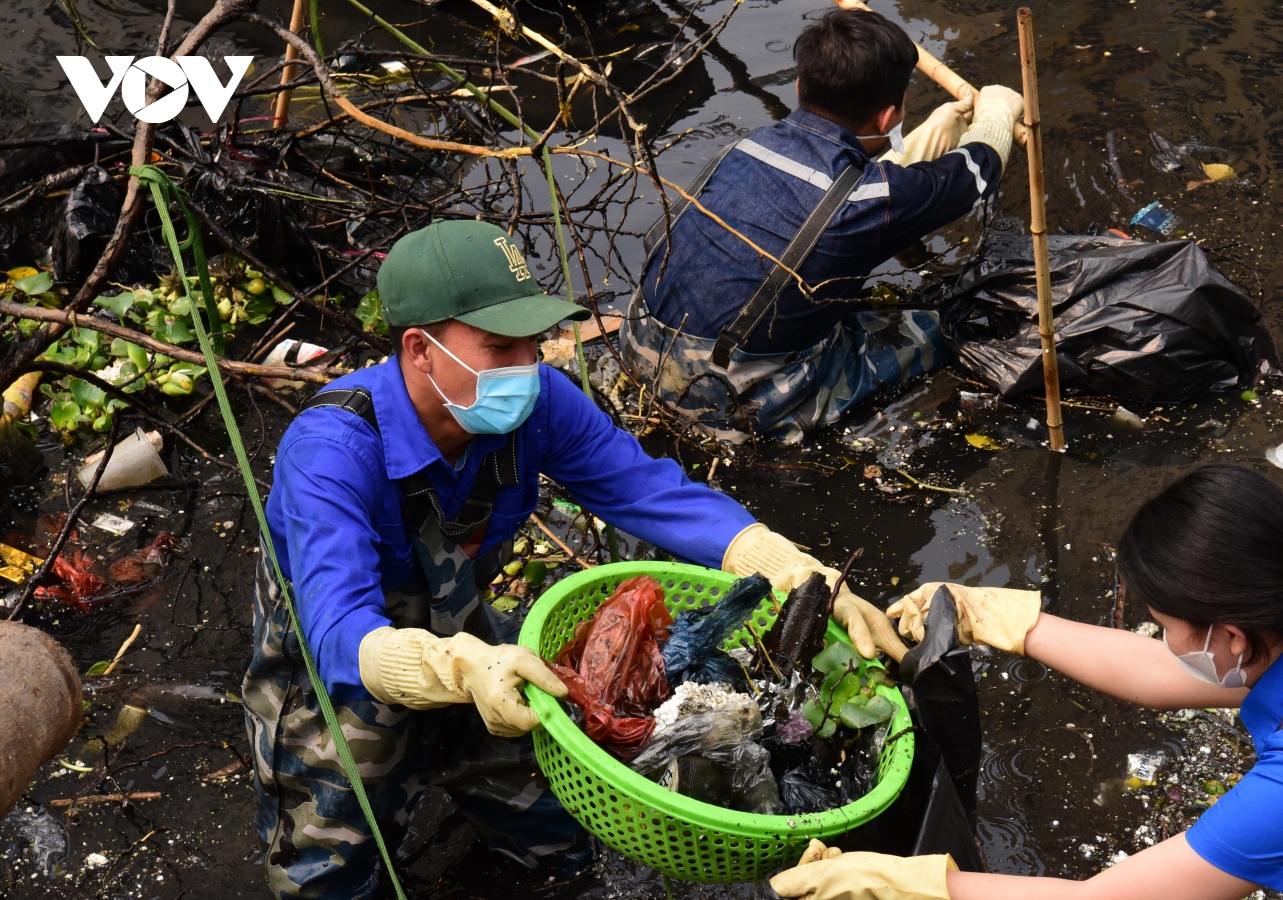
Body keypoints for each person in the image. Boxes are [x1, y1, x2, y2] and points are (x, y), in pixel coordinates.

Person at [241, 219, 906, 899]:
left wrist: (782, 561)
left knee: (548, 818)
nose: (524, 367)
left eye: (532, 341)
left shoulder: (534, 405)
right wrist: (458, 666)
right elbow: (337, 630)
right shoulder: (331, 451)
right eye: (500, 346)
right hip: (343, 669)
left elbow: (646, 489)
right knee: (332, 861)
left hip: (465, 630)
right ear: (419, 348)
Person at [769, 463, 1283, 900]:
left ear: (1231, 635)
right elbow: (1162, 674)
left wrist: (914, 884)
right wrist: (1010, 621)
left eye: (1166, 623)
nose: (1159, 641)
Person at [620, 8, 1024, 443]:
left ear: (799, 86)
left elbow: (834, 195)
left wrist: (927, 138)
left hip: (638, 346)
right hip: (724, 399)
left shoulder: (748, 146)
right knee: (957, 325)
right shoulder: (870, 202)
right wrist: (997, 115)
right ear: (887, 119)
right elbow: (975, 171)